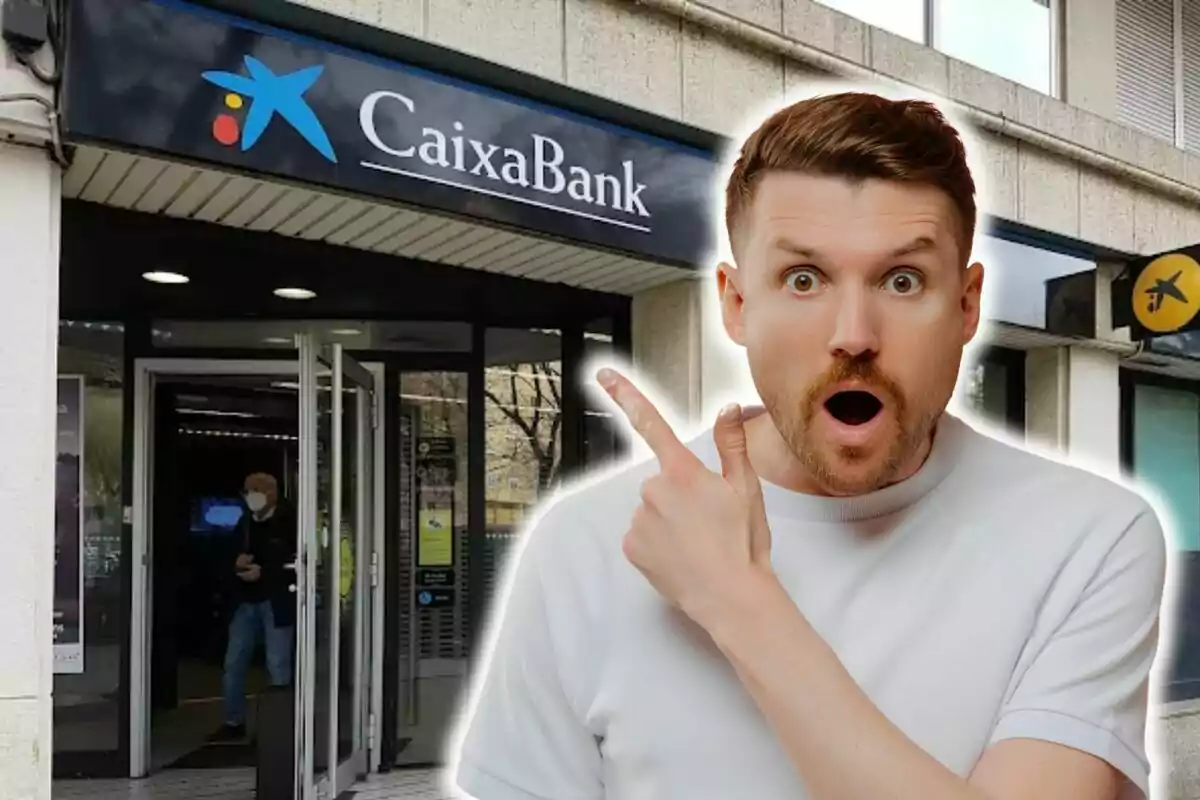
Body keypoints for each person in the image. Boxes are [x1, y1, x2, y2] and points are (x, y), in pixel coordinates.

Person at [451, 92, 1169, 800]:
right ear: (737, 305)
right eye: (803, 279)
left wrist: (736, 598)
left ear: (967, 305)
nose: (853, 333)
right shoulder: (589, 542)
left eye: (902, 279)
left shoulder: (1089, 537)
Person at [211, 471, 297, 742]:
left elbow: (301, 563)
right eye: (246, 491)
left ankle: (278, 727)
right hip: (245, 601)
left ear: (271, 492)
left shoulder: (291, 521)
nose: (249, 496)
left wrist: (266, 572)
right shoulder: (246, 521)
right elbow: (229, 554)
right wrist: (236, 563)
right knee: (233, 664)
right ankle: (233, 722)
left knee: (278, 665)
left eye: (254, 490)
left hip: (276, 602)